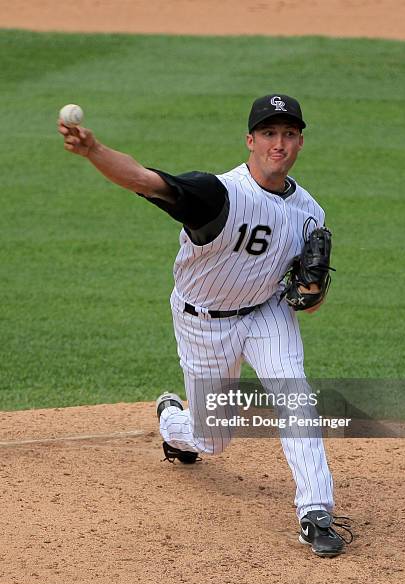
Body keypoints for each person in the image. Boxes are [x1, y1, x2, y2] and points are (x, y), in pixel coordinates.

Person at [58, 94, 353, 557]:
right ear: (250, 141)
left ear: (299, 142)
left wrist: (312, 295)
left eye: (290, 134)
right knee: (213, 440)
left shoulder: (311, 212)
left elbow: (306, 301)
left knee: (295, 397)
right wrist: (95, 150)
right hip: (204, 322)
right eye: (270, 133)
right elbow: (141, 179)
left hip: (264, 314)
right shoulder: (217, 193)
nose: (280, 143)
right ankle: (173, 420)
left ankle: (315, 512)